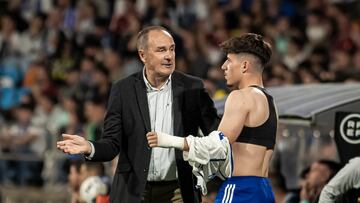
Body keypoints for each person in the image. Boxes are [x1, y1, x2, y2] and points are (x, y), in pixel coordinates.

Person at [57, 25, 220, 203]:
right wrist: (90, 147)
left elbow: (217, 134)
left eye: (171, 49)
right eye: (161, 50)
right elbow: (112, 144)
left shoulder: (193, 87)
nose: (169, 56)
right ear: (143, 55)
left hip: (179, 189)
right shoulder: (122, 89)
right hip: (134, 190)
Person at [147, 33, 277, 202]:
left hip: (241, 189)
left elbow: (218, 146)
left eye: (229, 60)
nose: (223, 66)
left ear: (244, 65)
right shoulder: (269, 101)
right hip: (264, 190)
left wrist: (168, 140)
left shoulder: (240, 96)